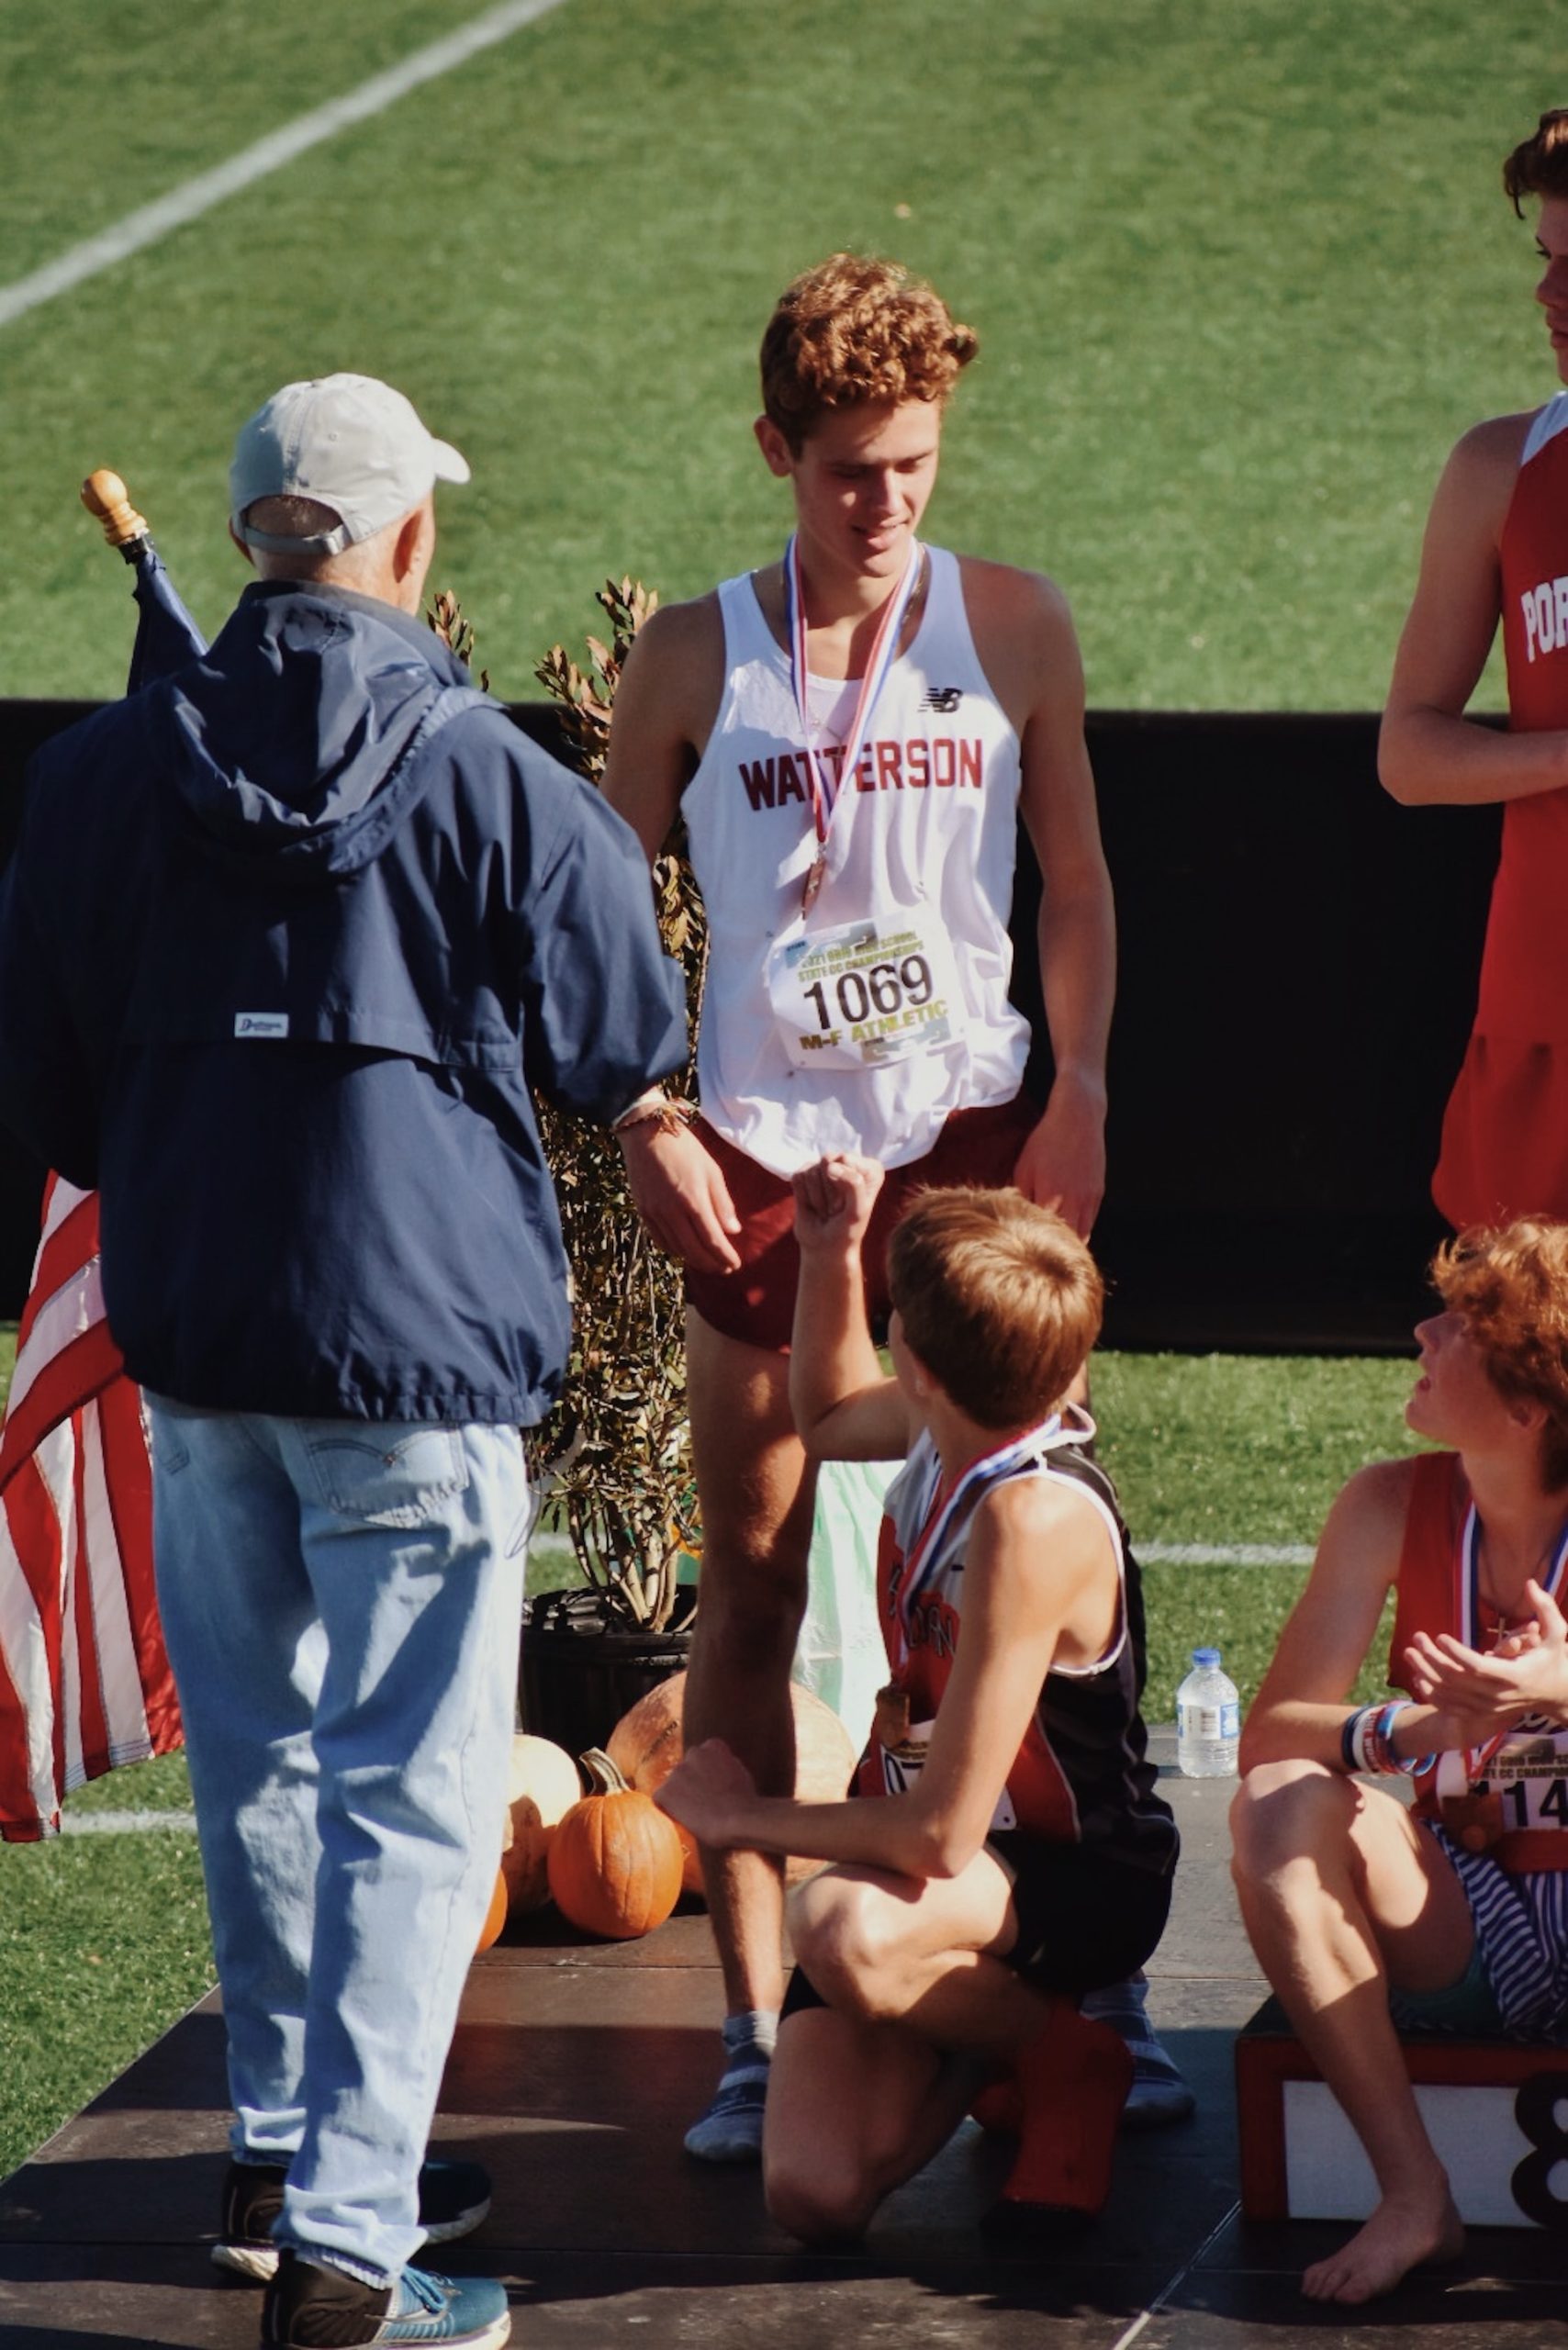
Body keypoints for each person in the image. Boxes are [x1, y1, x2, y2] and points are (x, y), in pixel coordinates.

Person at [0, 374, 686, 2350]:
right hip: (416, 1354)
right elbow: (617, 1024)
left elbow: (49, 1093)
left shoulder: (96, 778)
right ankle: (353, 2244)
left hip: (202, 1338)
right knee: (409, 1791)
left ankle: (284, 2164)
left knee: (267, 1770)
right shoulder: (485, 772)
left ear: (243, 546)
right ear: (404, 541)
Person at [602, 252, 1187, 2157]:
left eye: (915, 464)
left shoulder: (1009, 622)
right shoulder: (691, 655)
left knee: (1032, 1544)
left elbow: (1077, 882)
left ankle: (1080, 1988)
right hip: (772, 1169)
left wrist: (1082, 1084)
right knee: (754, 1572)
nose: (886, 506)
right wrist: (635, 1103)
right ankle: (756, 2026)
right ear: (775, 448)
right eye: (849, 468)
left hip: (972, 1154)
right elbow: (597, 919)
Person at [655, 1156, 1179, 2240]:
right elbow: (828, 1408)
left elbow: (941, 1835)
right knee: (815, 2191)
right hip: (944, 1876)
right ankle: (1000, 2043)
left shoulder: (1030, 1518)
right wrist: (829, 1253)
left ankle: (1065, 2053)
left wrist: (740, 1818)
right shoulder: (959, 1419)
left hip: (1072, 1873)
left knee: (837, 1926)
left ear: (924, 1363)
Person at [1230, 1217, 1568, 2305]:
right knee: (1279, 1805)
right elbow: (1270, 1734)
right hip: (1463, 1909)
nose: (1422, 1330)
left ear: (1526, 1408)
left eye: (1460, 1323)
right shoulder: (1387, 1502)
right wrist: (1403, 1732)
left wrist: (1552, 1690)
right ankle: (1412, 2192)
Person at [1383, 111, 1568, 1228]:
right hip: (1541, 1014)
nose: (1548, 297)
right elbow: (1409, 753)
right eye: (1546, 259)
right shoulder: (1500, 466)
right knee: (1520, 1391)